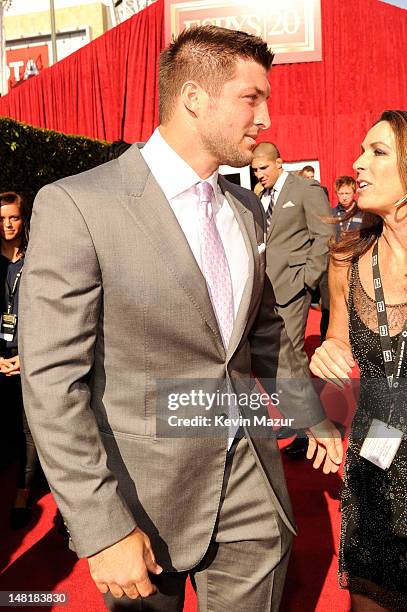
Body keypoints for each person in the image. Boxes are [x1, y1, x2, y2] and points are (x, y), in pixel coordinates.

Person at [20, 26, 342, 611]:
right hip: (142, 497)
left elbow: (264, 331)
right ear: (194, 97)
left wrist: (310, 416)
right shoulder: (78, 205)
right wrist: (100, 525)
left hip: (252, 485)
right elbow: (50, 383)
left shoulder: (244, 208)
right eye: (252, 98)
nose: (266, 118)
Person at [310, 110, 407, 611]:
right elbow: (339, 348)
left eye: (378, 152)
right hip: (374, 464)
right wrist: (326, 366)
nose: (357, 163)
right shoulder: (346, 257)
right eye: (362, 149)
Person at [252, 142, 333, 457]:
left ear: (279, 162)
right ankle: (293, 417)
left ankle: (305, 429)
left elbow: (324, 235)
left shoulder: (306, 189)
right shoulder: (261, 196)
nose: (259, 175)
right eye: (255, 170)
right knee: (271, 360)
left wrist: (307, 281)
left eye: (264, 168)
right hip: (266, 291)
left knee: (292, 359)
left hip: (293, 289)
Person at [0, 191, 40, 529]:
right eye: (1, 219)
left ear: (23, 218)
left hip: (29, 354)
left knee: (31, 425)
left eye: (13, 217)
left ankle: (23, 491)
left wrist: (27, 357)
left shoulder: (36, 258)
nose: (7, 224)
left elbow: (45, 312)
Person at [332, 176, 363, 241]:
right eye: (341, 194)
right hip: (337, 249)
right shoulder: (331, 213)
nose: (344, 197)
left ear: (354, 193)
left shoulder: (362, 212)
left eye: (347, 193)